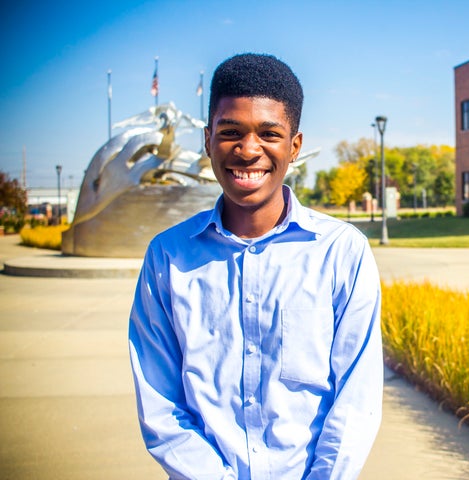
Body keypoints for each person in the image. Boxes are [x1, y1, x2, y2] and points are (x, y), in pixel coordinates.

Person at [128, 53, 383, 479]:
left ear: (294, 147)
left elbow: (355, 402)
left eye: (269, 133)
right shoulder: (167, 259)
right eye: (231, 132)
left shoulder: (342, 253)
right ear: (208, 139)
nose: (248, 151)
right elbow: (161, 407)